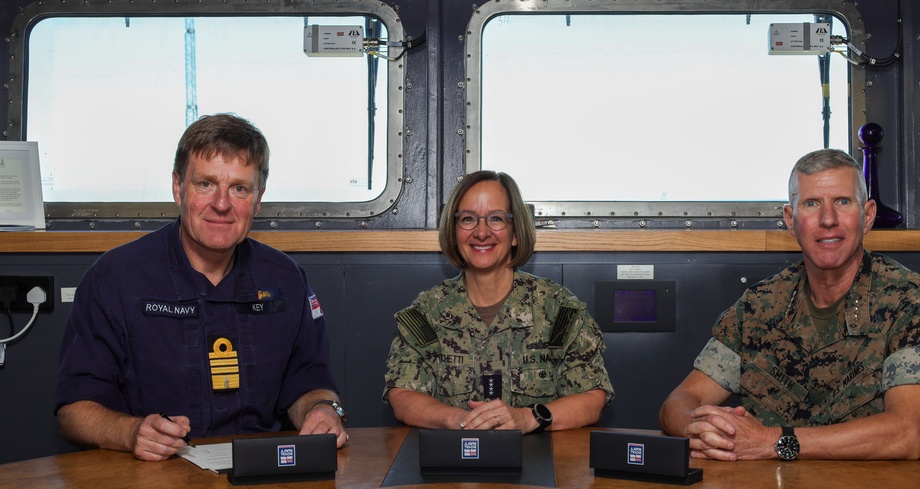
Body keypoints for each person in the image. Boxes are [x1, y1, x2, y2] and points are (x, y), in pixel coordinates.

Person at [54, 113, 348, 461]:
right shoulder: (114, 279)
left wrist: (322, 410)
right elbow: (74, 411)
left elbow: (308, 384)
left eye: (239, 188)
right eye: (206, 184)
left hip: (262, 473)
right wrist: (131, 432)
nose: (222, 204)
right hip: (153, 477)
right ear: (178, 188)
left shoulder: (286, 279)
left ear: (258, 198)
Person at [659, 149, 920, 461]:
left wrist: (772, 441)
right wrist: (710, 433)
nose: (828, 220)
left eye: (842, 201)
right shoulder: (761, 306)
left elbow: (906, 434)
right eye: (812, 204)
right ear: (791, 220)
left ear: (867, 216)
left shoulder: (911, 302)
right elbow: (678, 402)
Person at [383, 170, 614, 431]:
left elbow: (593, 397)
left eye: (496, 219)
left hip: (539, 463)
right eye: (468, 219)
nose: (482, 233)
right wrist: (461, 421)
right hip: (454, 462)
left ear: (515, 233)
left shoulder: (556, 308)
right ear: (454, 232)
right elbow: (401, 395)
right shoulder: (428, 311)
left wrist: (527, 418)